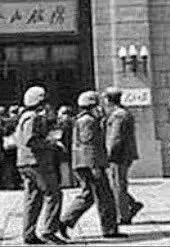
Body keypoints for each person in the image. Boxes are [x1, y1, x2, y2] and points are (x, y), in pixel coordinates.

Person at [58, 91, 125, 241]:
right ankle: (108, 229)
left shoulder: (85, 119)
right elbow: (89, 145)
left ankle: (66, 221)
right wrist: (95, 166)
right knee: (104, 196)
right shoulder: (88, 121)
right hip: (91, 164)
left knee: (89, 195)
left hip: (85, 163)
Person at [16, 85, 65, 245]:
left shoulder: (24, 116)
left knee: (33, 198)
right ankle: (49, 231)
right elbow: (31, 140)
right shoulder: (33, 117)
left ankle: (29, 233)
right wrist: (52, 143)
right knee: (53, 194)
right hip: (37, 162)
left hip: (25, 162)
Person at [103, 86, 143, 225]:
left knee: (118, 185)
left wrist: (108, 154)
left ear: (109, 99)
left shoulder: (118, 115)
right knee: (117, 184)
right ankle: (131, 205)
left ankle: (123, 215)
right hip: (122, 154)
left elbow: (115, 137)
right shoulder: (121, 113)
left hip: (119, 155)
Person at [54, 106, 75, 188]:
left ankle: (68, 182)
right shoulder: (59, 125)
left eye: (65, 113)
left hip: (68, 147)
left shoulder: (70, 125)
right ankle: (67, 181)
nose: (62, 116)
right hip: (63, 148)